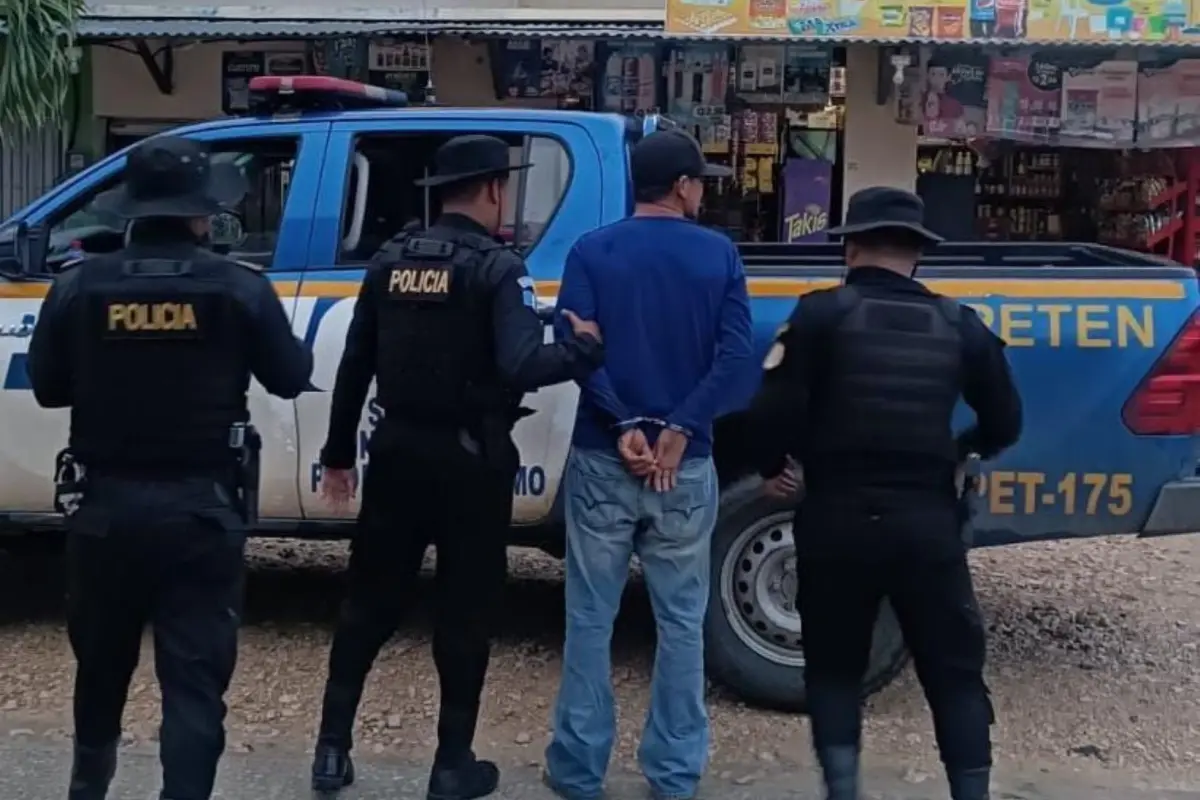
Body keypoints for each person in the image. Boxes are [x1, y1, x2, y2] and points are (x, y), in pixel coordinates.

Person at [310, 134, 605, 800]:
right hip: (472, 461)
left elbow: (356, 362)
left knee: (367, 604)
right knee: (466, 614)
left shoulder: (390, 260)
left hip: (396, 452)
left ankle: (331, 751)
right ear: (494, 189)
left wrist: (336, 456)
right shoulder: (497, 268)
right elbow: (524, 365)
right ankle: (450, 765)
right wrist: (584, 350)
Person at [26, 135, 314, 800]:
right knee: (193, 686)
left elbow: (48, 386)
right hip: (201, 514)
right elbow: (292, 376)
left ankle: (86, 789)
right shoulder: (238, 287)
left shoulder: (79, 285)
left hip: (103, 512)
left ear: (132, 210)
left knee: (100, 673)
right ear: (201, 213)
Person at [746, 187, 1023, 800]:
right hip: (927, 524)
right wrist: (956, 451)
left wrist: (774, 466)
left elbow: (771, 410)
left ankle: (843, 790)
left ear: (849, 247)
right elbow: (1006, 422)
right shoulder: (960, 324)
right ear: (918, 254)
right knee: (953, 674)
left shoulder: (820, 315)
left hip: (837, 518)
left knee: (837, 668)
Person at [544, 129, 754, 800]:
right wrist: (681, 429)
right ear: (684, 186)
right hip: (683, 469)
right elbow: (733, 353)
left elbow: (572, 343)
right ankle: (673, 774)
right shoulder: (719, 255)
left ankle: (578, 772)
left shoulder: (591, 251)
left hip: (605, 457)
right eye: (700, 183)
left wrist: (625, 422)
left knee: (588, 620)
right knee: (681, 624)